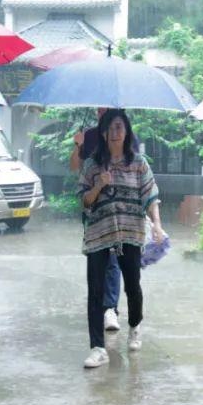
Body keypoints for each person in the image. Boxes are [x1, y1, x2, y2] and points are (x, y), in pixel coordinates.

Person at [77, 109, 165, 369]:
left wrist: (157, 226)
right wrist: (98, 185)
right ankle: (97, 348)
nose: (115, 132)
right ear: (103, 133)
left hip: (130, 231)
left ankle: (135, 326)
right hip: (99, 233)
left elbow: (150, 195)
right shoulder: (92, 165)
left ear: (126, 132)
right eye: (110, 128)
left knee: (132, 286)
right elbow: (83, 200)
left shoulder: (138, 163)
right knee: (95, 291)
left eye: (120, 127)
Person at [69, 107, 141, 334]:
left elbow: (136, 170)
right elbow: (75, 168)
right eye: (100, 107)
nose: (103, 111)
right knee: (100, 264)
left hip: (122, 216)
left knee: (115, 260)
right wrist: (77, 146)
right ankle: (102, 311)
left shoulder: (127, 135)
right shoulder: (89, 135)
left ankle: (110, 308)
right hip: (94, 213)